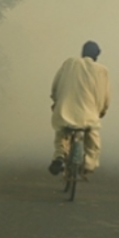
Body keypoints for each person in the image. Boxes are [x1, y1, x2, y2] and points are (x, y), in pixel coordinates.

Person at [48, 41, 111, 176]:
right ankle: (89, 164)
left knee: (61, 133)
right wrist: (102, 110)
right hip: (89, 114)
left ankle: (59, 156)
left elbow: (56, 85)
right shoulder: (102, 70)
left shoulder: (70, 63)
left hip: (65, 110)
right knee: (92, 136)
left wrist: (55, 101)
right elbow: (105, 95)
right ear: (97, 56)